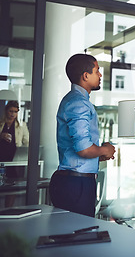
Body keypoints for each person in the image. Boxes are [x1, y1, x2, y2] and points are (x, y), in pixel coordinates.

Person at [49, 54, 116, 217]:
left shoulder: (75, 100)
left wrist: (98, 155)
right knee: (76, 238)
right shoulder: (79, 103)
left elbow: (80, 149)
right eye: (97, 71)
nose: (100, 75)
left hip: (74, 181)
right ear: (86, 76)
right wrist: (105, 150)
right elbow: (83, 149)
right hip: (76, 184)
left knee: (72, 237)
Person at [0, 100, 29, 207]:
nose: (13, 114)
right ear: (6, 111)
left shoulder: (21, 125)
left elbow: (27, 142)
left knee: (12, 185)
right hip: (1, 158)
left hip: (13, 159)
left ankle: (8, 208)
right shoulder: (1, 123)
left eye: (15, 112)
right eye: (11, 111)